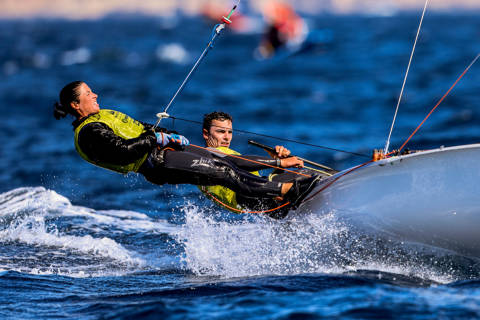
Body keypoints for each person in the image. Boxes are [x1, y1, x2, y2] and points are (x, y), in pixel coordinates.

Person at [53, 81, 318, 209]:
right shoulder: (89, 133)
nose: (95, 94)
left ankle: (287, 184)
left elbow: (143, 128)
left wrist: (165, 133)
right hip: (156, 163)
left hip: (165, 150)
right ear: (76, 105)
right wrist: (155, 139)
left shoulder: (104, 115)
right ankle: (284, 189)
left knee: (224, 161)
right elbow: (124, 152)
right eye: (88, 94)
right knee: (223, 172)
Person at [199, 111, 319, 218]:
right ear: (206, 134)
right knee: (309, 176)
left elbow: (257, 180)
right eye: (221, 132)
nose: (227, 137)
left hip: (263, 200)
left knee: (305, 177)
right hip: (246, 197)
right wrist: (279, 162)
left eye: (229, 132)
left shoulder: (228, 154)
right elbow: (239, 163)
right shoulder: (207, 154)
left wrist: (278, 166)